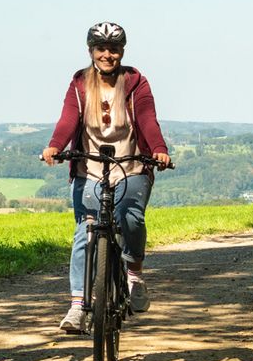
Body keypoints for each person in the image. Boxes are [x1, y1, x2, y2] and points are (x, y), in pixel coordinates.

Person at [40, 21, 171, 334]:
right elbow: (68, 120)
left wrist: (159, 149)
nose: (108, 55)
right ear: (91, 51)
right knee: (85, 231)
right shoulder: (79, 83)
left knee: (132, 219)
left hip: (132, 165)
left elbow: (148, 120)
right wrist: (56, 146)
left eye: (114, 49)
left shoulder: (136, 82)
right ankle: (77, 306)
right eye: (101, 49)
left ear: (122, 51)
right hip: (90, 168)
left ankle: (134, 275)